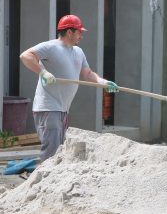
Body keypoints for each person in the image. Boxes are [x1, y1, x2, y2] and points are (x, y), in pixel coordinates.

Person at [19, 14, 118, 162]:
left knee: (59, 152)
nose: (81, 36)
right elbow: (25, 56)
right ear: (70, 32)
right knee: (51, 154)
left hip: (63, 110)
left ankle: (50, 182)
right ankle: (46, 183)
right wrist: (43, 72)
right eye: (79, 32)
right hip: (48, 108)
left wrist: (103, 82)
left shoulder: (78, 52)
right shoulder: (51, 47)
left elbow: (88, 74)